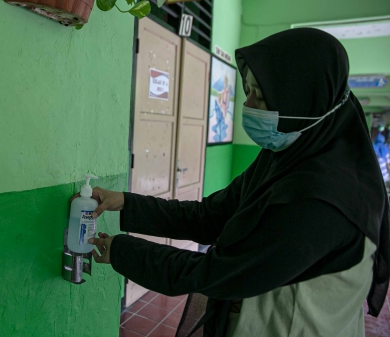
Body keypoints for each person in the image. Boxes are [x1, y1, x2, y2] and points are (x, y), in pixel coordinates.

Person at [74, 28, 390, 336]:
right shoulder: (287, 156)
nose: (247, 105)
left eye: (262, 97)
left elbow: (222, 273)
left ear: (305, 101)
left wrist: (121, 251)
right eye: (248, 90)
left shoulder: (326, 201)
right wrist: (126, 202)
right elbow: (208, 217)